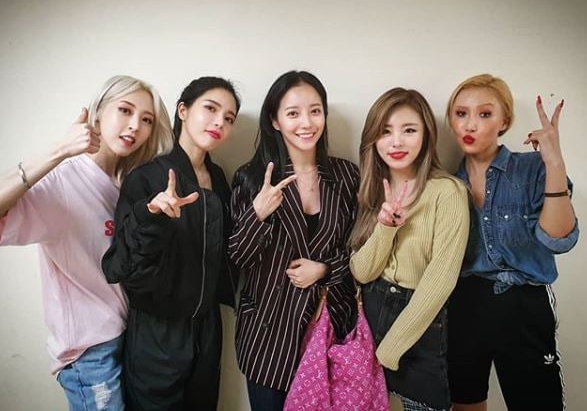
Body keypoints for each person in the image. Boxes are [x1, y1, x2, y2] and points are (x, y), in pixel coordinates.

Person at [0, 75, 173, 410]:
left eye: (147, 120)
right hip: (89, 352)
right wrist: (60, 150)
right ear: (98, 113)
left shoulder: (127, 185)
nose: (135, 126)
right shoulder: (64, 180)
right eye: (125, 110)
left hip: (127, 337)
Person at [102, 76, 240, 410]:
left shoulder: (219, 179)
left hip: (207, 329)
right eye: (210, 109)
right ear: (183, 110)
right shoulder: (147, 176)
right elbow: (122, 267)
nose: (219, 122)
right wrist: (151, 215)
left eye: (229, 118)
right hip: (157, 332)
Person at [445, 74, 579, 411]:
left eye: (485, 114)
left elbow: (558, 240)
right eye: (461, 114)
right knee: (465, 403)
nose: (470, 124)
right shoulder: (446, 184)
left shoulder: (532, 169)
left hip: (523, 305)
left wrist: (554, 162)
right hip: (463, 305)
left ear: (504, 121)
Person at [229, 70, 359, 411]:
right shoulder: (251, 178)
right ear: (275, 120)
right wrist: (258, 214)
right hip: (269, 337)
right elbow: (238, 257)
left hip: (331, 331)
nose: (306, 122)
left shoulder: (347, 176)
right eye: (293, 113)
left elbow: (361, 250)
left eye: (315, 111)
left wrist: (325, 269)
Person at [349, 87, 469, 410]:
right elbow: (361, 272)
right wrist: (385, 228)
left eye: (409, 130)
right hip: (371, 316)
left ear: (426, 135)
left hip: (421, 325)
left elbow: (440, 281)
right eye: (385, 131)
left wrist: (389, 349)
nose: (397, 142)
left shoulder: (448, 192)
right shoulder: (372, 189)